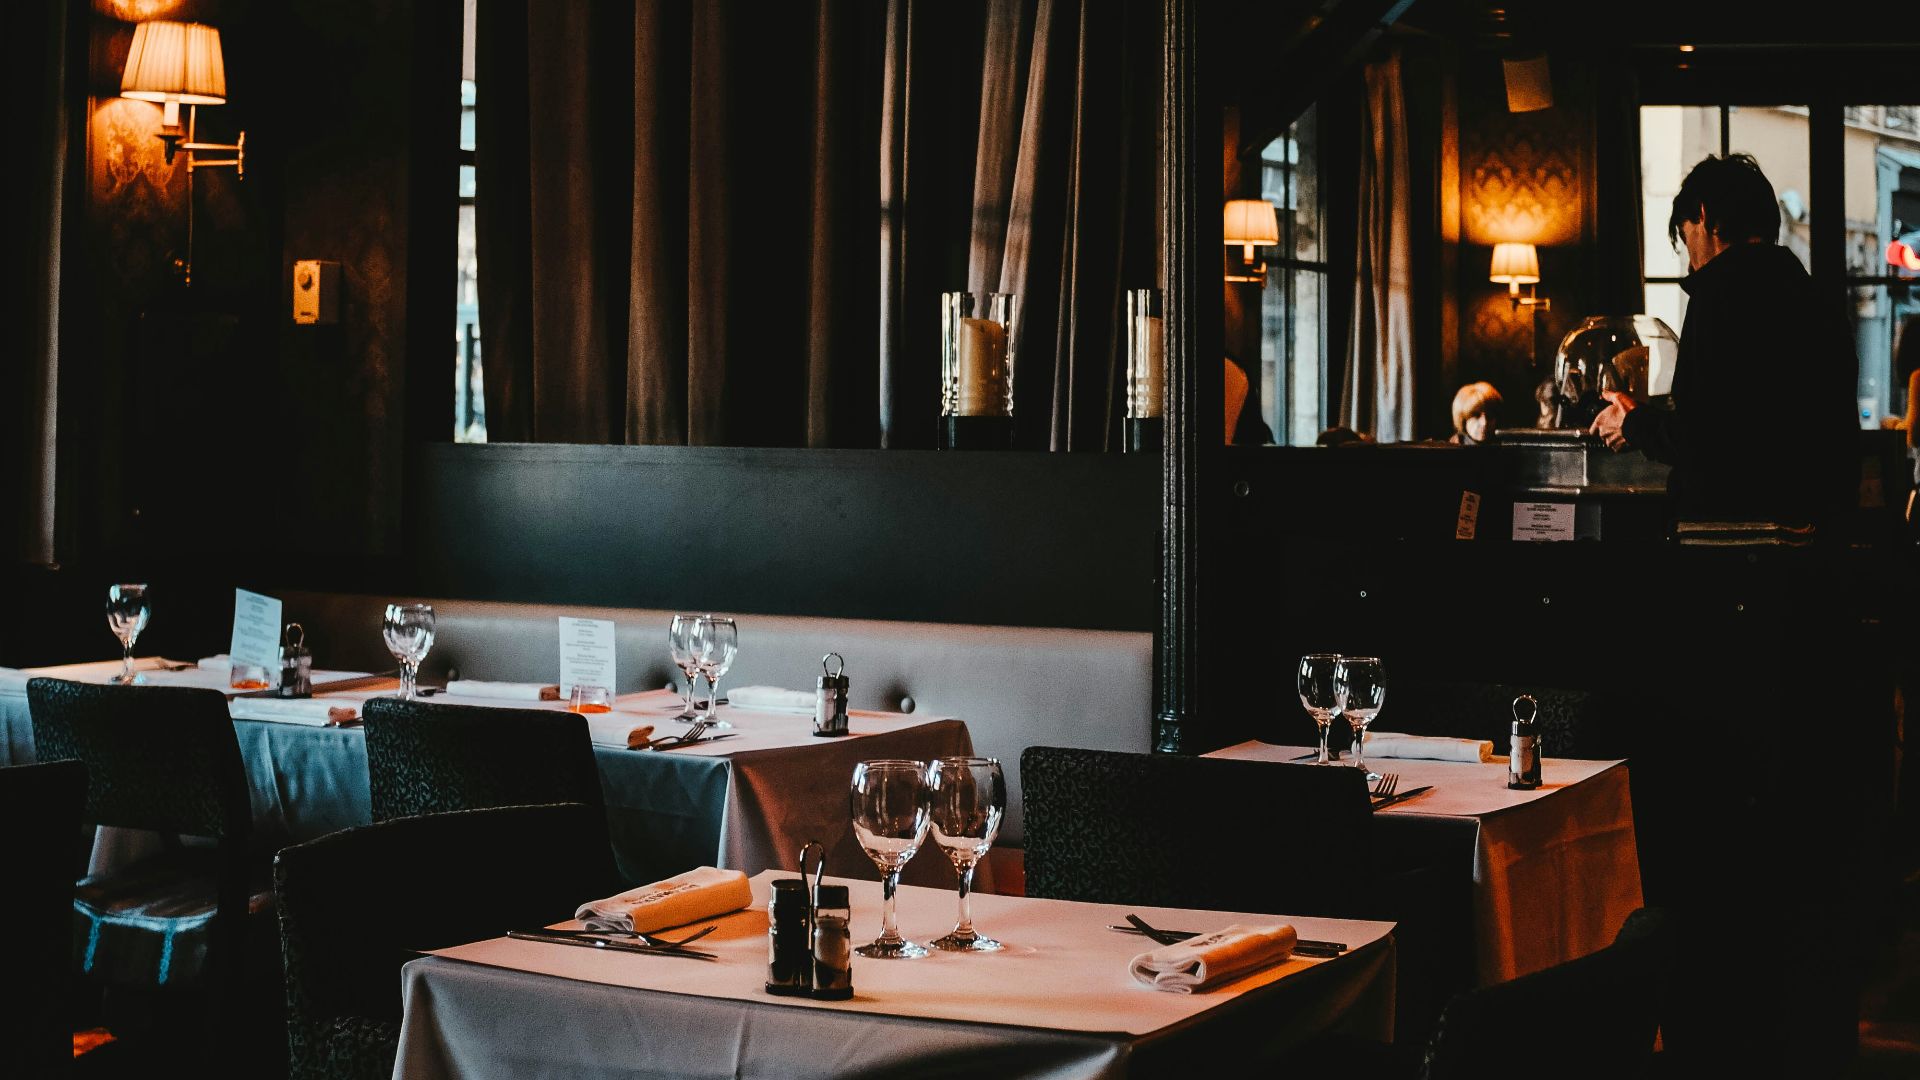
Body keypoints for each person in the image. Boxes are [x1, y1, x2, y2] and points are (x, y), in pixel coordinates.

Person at [1588, 153, 1858, 532]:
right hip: (1816, 529)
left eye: (1685, 239)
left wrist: (1633, 423)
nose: (1690, 266)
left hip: (1734, 535)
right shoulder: (1817, 298)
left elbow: (1708, 437)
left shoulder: (1719, 292)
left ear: (1703, 215)